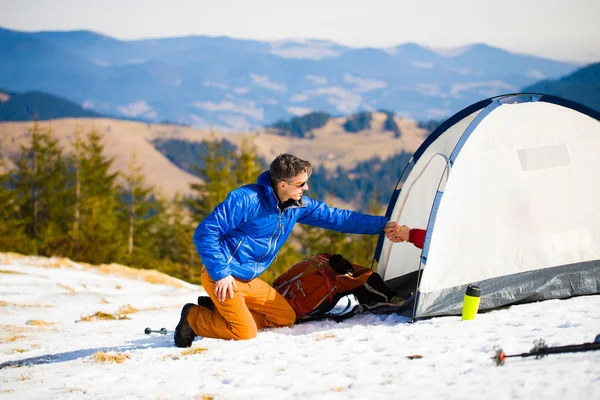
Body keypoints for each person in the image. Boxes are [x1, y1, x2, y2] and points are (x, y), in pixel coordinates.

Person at [174, 153, 403, 346]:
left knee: (285, 316)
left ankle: (220, 312)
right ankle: (194, 318)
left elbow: (337, 218)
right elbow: (205, 233)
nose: (306, 187)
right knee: (244, 333)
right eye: (301, 184)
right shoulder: (245, 199)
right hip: (224, 277)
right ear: (283, 184)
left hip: (248, 279)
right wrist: (221, 273)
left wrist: (381, 226)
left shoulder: (297, 206)